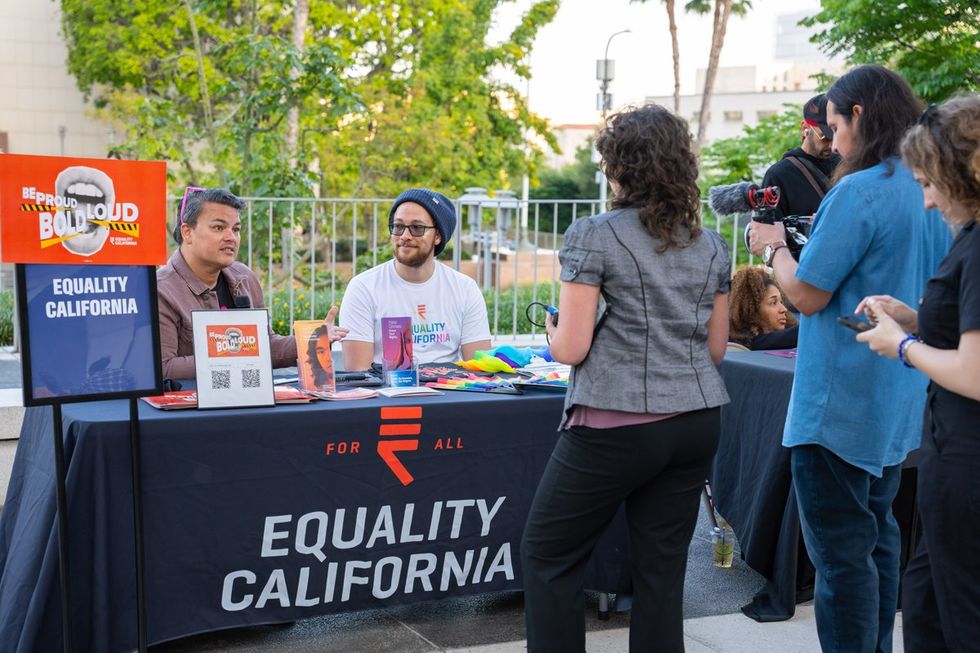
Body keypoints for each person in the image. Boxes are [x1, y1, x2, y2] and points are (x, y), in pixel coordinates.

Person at [747, 65, 951, 653]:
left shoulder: (857, 191)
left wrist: (774, 248)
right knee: (879, 541)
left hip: (838, 404)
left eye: (834, 127)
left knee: (841, 559)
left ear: (858, 115)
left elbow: (807, 296)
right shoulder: (928, 188)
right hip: (899, 396)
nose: (832, 143)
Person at [520, 104, 731, 653]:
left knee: (548, 555)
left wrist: (553, 331)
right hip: (696, 421)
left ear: (619, 168)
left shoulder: (594, 233)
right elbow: (715, 349)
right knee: (661, 572)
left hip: (618, 423)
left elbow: (571, 347)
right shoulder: (711, 244)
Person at [854, 95, 980, 653]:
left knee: (959, 618)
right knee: (927, 605)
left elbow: (974, 372)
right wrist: (913, 318)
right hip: (952, 455)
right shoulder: (969, 240)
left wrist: (902, 346)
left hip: (967, 464)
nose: (926, 200)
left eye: (929, 184)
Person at [157, 187, 347, 380]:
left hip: (247, 394)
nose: (231, 237)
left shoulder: (244, 277)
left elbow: (265, 346)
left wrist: (313, 339)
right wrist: (234, 354)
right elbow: (164, 368)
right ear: (187, 232)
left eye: (236, 229)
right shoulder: (160, 290)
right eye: (218, 228)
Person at [338, 188, 491, 370]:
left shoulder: (465, 289)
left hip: (450, 387)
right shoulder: (364, 288)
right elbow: (359, 374)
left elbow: (481, 369)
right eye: (398, 226)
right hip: (385, 387)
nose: (405, 236)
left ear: (438, 236)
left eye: (417, 228)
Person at [762, 93, 841, 219]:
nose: (833, 145)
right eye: (825, 137)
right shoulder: (779, 175)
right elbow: (767, 227)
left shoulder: (847, 166)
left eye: (837, 135)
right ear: (805, 128)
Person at [729, 266, 799, 350]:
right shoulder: (749, 341)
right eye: (773, 303)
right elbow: (788, 336)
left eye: (781, 302)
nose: (784, 309)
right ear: (752, 310)